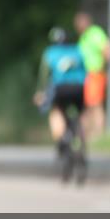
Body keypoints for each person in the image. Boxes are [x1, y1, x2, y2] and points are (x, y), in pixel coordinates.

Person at [34, 27, 87, 179]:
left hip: (61, 88)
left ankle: (63, 138)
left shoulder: (50, 53)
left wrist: (40, 94)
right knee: (79, 114)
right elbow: (86, 70)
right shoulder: (78, 51)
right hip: (79, 89)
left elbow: (43, 77)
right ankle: (80, 139)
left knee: (56, 111)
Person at [74, 11, 110, 138]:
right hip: (86, 75)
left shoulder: (94, 33)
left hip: (95, 73)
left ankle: (99, 134)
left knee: (95, 105)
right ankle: (87, 134)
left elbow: (107, 48)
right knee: (88, 105)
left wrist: (105, 66)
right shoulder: (83, 37)